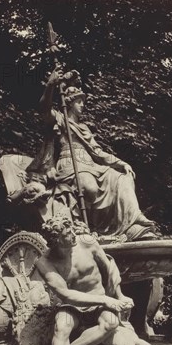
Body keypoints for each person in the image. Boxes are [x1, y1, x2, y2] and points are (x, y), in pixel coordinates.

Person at [27, 64, 157, 241]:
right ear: (70, 103)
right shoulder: (60, 119)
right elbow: (43, 108)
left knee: (121, 178)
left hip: (91, 165)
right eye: (79, 102)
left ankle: (134, 221)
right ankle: (89, 229)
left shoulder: (84, 128)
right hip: (70, 164)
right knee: (90, 188)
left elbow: (98, 152)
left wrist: (121, 163)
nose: (82, 106)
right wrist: (50, 85)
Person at [34, 214, 134, 345]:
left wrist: (118, 296)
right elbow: (66, 294)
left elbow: (109, 268)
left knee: (111, 323)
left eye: (71, 229)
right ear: (55, 241)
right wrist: (105, 300)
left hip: (99, 301)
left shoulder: (87, 243)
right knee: (61, 327)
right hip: (73, 305)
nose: (73, 235)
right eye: (66, 234)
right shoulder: (44, 263)